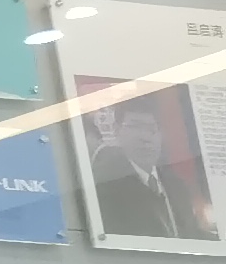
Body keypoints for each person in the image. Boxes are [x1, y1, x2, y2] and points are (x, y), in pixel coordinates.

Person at [88, 98, 206, 241]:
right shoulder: (105, 185)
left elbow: (191, 233)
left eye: (152, 129)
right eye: (136, 126)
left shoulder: (177, 185)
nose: (145, 137)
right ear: (117, 131)